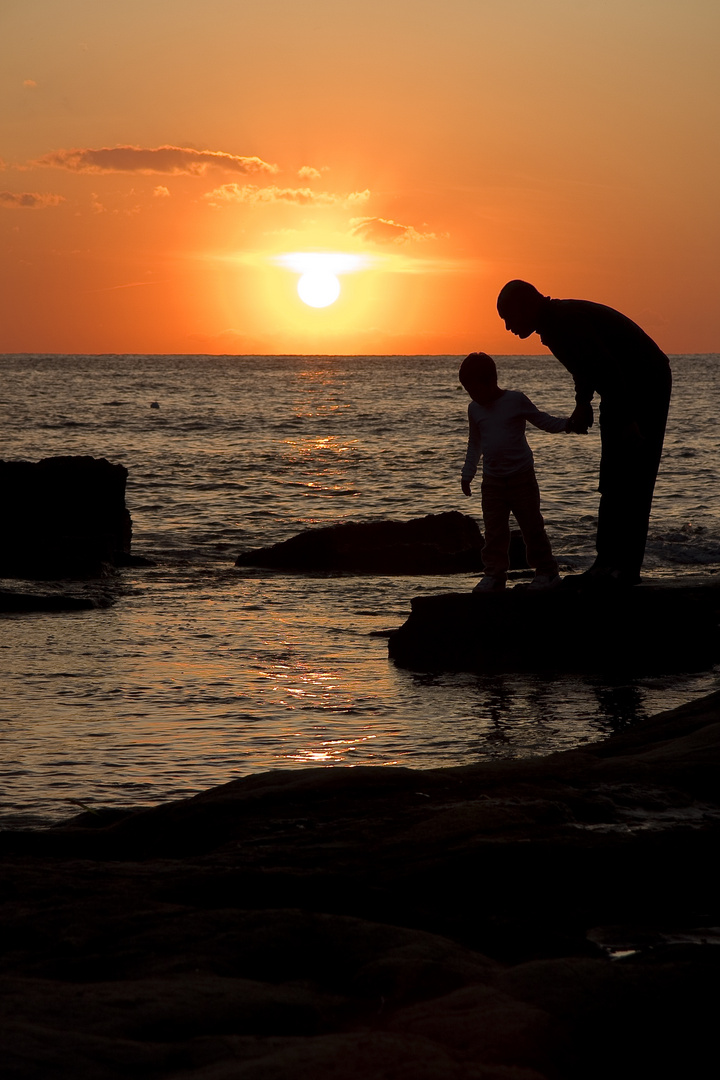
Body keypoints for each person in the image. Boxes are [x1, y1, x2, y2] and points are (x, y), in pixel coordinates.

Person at [497, 281, 672, 586]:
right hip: (621, 387)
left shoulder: (563, 321)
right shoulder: (554, 325)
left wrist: (628, 420)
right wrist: (583, 404)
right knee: (614, 476)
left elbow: (606, 367)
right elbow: (585, 366)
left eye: (509, 318)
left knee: (632, 477)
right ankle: (606, 563)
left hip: (644, 382)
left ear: (527, 306)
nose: (509, 327)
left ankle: (624, 568)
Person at [459, 351, 572, 592]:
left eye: (475, 389)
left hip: (522, 477)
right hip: (492, 481)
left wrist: (568, 424)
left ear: (491, 381)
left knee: (532, 527)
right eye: (468, 391)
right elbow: (474, 443)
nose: (472, 396)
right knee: (494, 531)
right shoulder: (474, 409)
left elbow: (542, 420)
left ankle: (547, 572)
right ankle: (495, 575)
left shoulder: (515, 400)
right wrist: (467, 474)